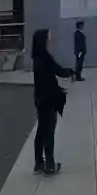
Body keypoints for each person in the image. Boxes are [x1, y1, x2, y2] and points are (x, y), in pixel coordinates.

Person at [32, 29, 74, 176]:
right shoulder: (44, 58)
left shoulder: (38, 58)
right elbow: (57, 71)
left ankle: (39, 163)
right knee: (49, 132)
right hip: (48, 100)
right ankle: (49, 165)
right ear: (42, 41)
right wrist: (70, 73)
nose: (50, 40)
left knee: (41, 131)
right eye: (48, 38)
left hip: (40, 99)